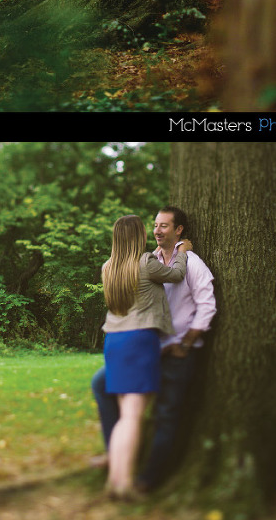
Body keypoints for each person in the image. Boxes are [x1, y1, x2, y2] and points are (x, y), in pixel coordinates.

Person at [92, 205, 216, 493]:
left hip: (165, 348)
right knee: (120, 404)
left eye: (163, 225)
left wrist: (186, 343)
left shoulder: (112, 266)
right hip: (145, 347)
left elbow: (206, 306)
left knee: (162, 414)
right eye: (154, 226)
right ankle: (119, 472)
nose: (157, 230)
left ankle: (146, 479)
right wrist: (181, 254)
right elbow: (171, 276)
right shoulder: (147, 261)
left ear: (178, 230)